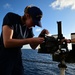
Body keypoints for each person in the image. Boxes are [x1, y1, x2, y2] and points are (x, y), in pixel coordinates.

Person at [0, 5, 49, 75]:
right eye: (34, 22)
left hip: (17, 58)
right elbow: (7, 43)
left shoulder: (29, 28)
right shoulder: (11, 17)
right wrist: (30, 40)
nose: (34, 25)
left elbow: (33, 46)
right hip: (4, 58)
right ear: (27, 16)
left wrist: (41, 35)